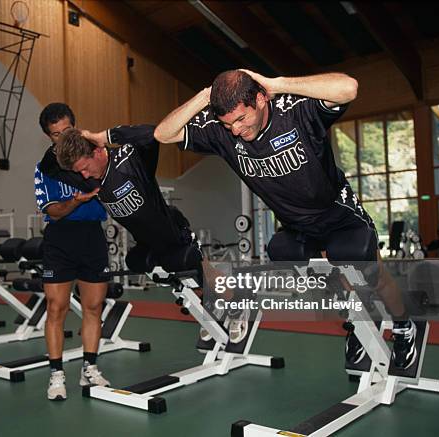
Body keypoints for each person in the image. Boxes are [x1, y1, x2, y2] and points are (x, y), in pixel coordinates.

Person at [153, 69, 417, 369]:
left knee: (370, 272)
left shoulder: (296, 112)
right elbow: (164, 133)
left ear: (261, 98)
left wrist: (277, 84)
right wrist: (205, 96)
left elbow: (349, 87)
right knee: (294, 259)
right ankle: (360, 320)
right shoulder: (220, 130)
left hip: (338, 215)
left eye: (241, 119)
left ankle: (404, 325)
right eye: (229, 124)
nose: (236, 130)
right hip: (296, 227)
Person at [42, 124, 249, 343]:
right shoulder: (84, 176)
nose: (83, 175)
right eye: (78, 171)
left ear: (98, 150)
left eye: (85, 167)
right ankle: (213, 305)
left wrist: (102, 134)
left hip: (172, 233)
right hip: (146, 243)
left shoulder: (129, 160)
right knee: (138, 262)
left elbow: (152, 133)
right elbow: (48, 166)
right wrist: (64, 139)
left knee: (200, 272)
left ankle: (237, 305)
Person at [35, 103, 110, 401]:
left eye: (67, 131)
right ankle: (56, 374)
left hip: (92, 236)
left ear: (76, 128)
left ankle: (89, 368)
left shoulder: (95, 155)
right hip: (60, 239)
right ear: (49, 137)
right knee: (56, 308)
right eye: (56, 134)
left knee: (93, 307)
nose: (62, 137)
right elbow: (53, 212)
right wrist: (77, 201)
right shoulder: (45, 169)